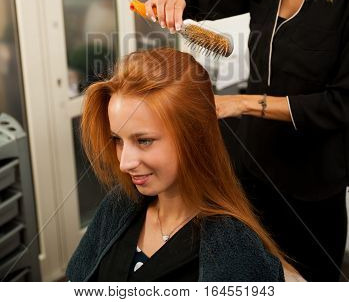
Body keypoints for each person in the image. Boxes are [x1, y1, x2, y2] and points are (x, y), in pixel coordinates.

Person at [143, 0, 349, 282]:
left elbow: (341, 104)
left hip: (315, 179)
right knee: (252, 275)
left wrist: (238, 104)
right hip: (253, 164)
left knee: (312, 282)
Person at [66, 48, 297, 282]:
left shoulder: (237, 251)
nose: (125, 163)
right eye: (117, 139)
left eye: (144, 141)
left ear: (195, 136)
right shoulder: (119, 204)